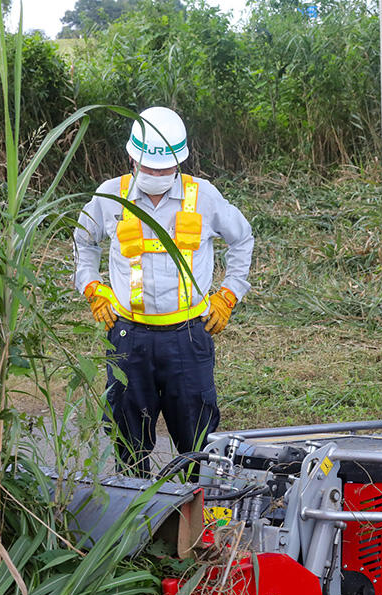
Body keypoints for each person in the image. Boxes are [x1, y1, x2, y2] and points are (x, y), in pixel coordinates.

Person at [73, 106, 254, 476]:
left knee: (196, 439)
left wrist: (228, 294)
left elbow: (243, 239)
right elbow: (83, 243)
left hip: (188, 337)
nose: (157, 176)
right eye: (150, 169)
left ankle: (194, 516)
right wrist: (92, 287)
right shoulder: (110, 196)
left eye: (165, 169)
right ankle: (136, 516)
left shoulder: (203, 196)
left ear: (180, 162)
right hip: (128, 337)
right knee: (128, 438)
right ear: (132, 159)